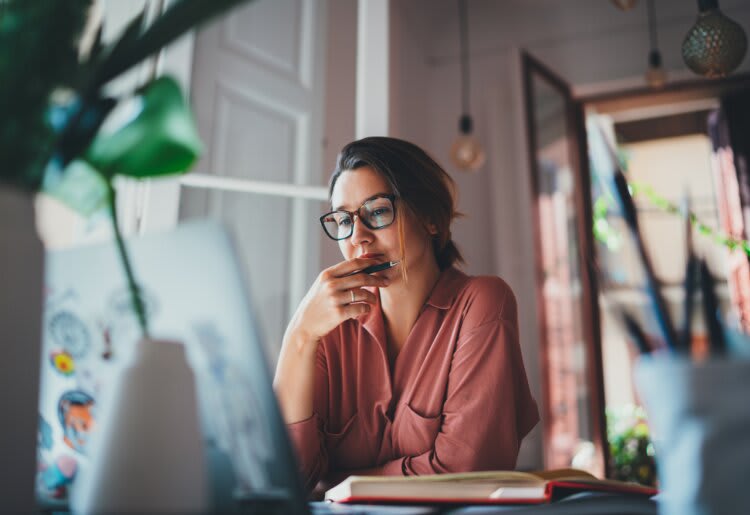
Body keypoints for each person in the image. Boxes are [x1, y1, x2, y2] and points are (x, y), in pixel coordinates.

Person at [273, 137, 539, 494]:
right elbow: (285, 480)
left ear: (429, 218)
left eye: (378, 211)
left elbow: (465, 472)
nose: (359, 239)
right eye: (343, 220)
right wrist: (299, 336)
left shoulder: (482, 303)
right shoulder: (327, 329)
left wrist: (335, 483)